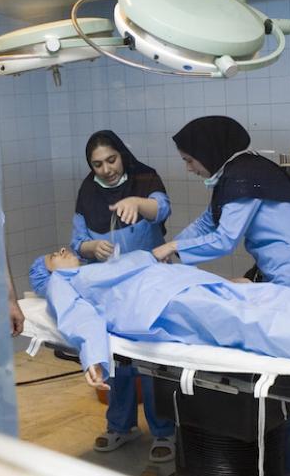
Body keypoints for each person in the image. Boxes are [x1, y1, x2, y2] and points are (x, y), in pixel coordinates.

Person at [151, 116, 290, 475]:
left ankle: (284, 466)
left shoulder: (244, 177)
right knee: (286, 378)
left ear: (207, 151)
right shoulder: (239, 174)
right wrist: (168, 250)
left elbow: (223, 239)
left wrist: (172, 248)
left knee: (287, 381)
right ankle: (283, 463)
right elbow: (208, 223)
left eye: (189, 159)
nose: (188, 167)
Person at [28, 249, 290, 390]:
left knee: (277, 295)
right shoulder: (63, 284)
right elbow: (80, 320)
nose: (62, 251)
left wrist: (220, 280)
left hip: (189, 286)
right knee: (253, 324)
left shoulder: (99, 268)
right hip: (165, 310)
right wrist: (94, 356)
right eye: (53, 254)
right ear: (46, 273)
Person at [69, 130, 175, 461]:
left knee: (152, 360)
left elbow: (161, 209)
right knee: (118, 361)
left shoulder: (144, 177)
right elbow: (76, 241)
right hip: (111, 290)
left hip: (149, 285)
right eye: (97, 164)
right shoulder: (88, 191)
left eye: (111, 160)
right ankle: (120, 426)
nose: (106, 169)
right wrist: (89, 246)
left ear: (122, 154)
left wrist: (136, 203)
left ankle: (165, 431)